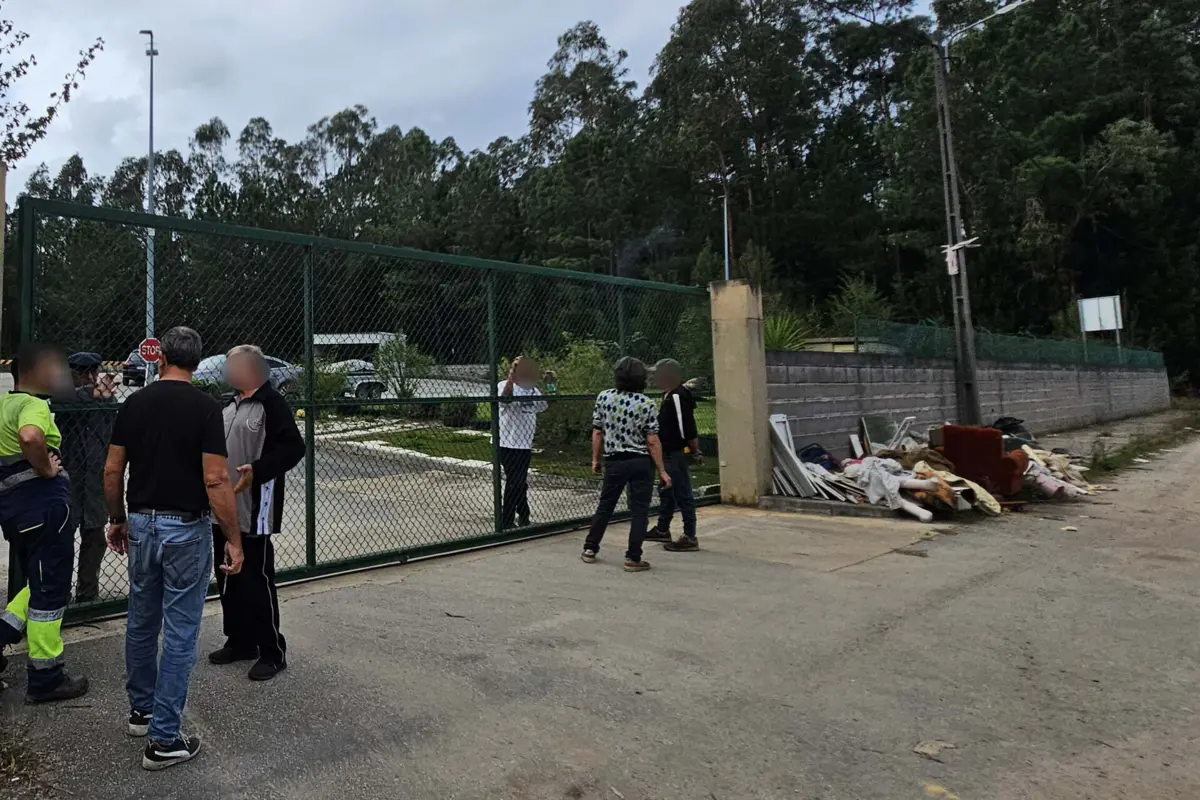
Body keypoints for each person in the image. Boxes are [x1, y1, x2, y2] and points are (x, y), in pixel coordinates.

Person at [103, 326, 244, 771]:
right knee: (181, 629)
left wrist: (118, 518)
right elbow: (216, 479)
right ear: (198, 363)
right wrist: (234, 539)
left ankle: (141, 712)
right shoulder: (207, 409)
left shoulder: (134, 403)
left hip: (142, 523)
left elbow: (112, 470)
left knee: (142, 619)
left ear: (161, 357)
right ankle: (165, 739)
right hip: (186, 527)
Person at [0, 343, 90, 703]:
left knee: (38, 581)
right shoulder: (33, 406)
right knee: (50, 593)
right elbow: (31, 437)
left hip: (16, 514)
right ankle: (46, 678)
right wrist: (44, 467)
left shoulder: (4, 404)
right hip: (44, 510)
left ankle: (3, 633)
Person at [208, 345, 304, 681]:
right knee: (227, 574)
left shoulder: (271, 403)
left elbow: (294, 447)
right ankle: (240, 640)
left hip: (254, 507)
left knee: (255, 578)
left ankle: (272, 650)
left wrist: (261, 469)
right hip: (222, 506)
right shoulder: (229, 402)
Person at [581, 357, 672, 572]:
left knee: (606, 505)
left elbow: (597, 431)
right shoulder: (646, 403)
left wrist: (596, 458)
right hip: (640, 461)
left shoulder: (605, 397)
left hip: (615, 460)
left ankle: (590, 548)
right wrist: (662, 471)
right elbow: (652, 440)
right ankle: (633, 557)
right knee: (640, 510)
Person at [54, 351, 117, 603]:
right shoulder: (64, 394)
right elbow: (63, 401)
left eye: (91, 372)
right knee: (63, 536)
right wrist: (92, 393)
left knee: (94, 536)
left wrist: (101, 395)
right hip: (68, 477)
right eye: (81, 372)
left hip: (95, 478)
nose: (88, 377)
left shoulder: (105, 399)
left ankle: (87, 593)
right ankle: (59, 592)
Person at [645, 359, 700, 552]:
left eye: (657, 374)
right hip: (666, 452)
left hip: (675, 452)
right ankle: (662, 529)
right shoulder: (668, 395)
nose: (654, 377)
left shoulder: (678, 397)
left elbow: (687, 427)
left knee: (683, 492)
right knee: (667, 491)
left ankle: (690, 536)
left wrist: (694, 451)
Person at [497, 355, 548, 530]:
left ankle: (523, 517)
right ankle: (508, 520)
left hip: (524, 444)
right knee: (515, 482)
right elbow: (504, 400)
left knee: (519, 482)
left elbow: (545, 405)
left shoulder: (532, 390)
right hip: (506, 442)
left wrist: (551, 384)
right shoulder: (503, 385)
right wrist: (512, 378)